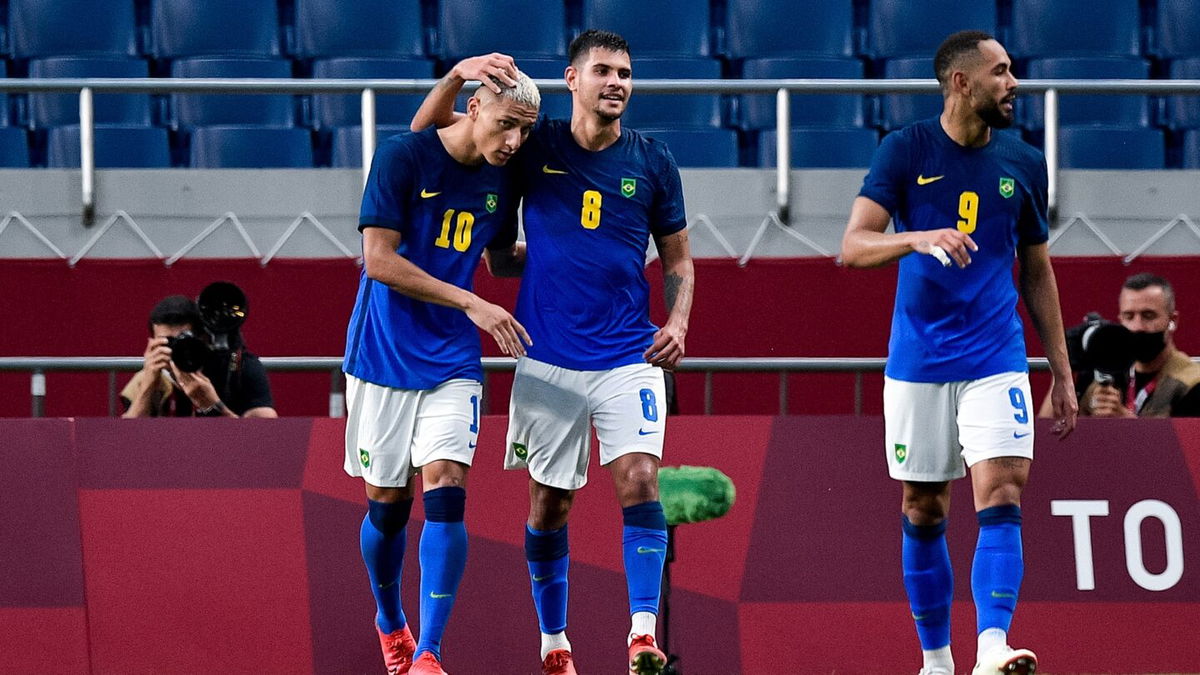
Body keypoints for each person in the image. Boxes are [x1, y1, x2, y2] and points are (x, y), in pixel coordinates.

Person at [411, 29, 695, 675]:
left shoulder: (653, 161)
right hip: (547, 356)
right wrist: (457, 78)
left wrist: (677, 319)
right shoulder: (529, 144)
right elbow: (429, 139)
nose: (616, 81)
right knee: (549, 503)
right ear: (573, 80)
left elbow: (678, 256)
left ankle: (643, 636)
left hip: (630, 355)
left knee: (641, 479)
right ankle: (554, 641)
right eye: (603, 70)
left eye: (625, 71)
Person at [840, 31, 1078, 675]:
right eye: (1001, 72)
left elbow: (1037, 271)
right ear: (962, 82)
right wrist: (916, 238)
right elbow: (853, 245)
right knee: (924, 507)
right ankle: (936, 660)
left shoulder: (1025, 161)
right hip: (918, 361)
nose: (1014, 83)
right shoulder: (906, 150)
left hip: (996, 357)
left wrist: (1059, 368)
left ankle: (994, 646)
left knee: (1002, 495)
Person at [342, 72, 540, 675]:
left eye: (524, 131)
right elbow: (378, 261)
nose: (512, 141)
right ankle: (389, 620)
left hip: (453, 356)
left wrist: (585, 250)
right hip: (383, 350)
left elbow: (503, 260)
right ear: (473, 107)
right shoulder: (403, 156)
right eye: (505, 124)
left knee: (448, 489)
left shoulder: (505, 178)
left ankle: (428, 651)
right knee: (388, 509)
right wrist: (470, 301)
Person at [1045, 272, 1200, 418]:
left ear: (1173, 320)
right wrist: (1062, 374)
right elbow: (1048, 433)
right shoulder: (1103, 371)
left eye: (1148, 316)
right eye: (1129, 316)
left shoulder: (1191, 382)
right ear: (1120, 319)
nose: (1137, 326)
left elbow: (1189, 444)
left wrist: (1124, 423)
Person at [121, 294, 277, 418]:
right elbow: (128, 440)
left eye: (185, 339)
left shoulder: (237, 368)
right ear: (153, 344)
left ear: (203, 338)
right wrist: (148, 384)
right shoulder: (146, 380)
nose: (178, 349)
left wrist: (212, 405)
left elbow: (264, 438)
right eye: (168, 342)